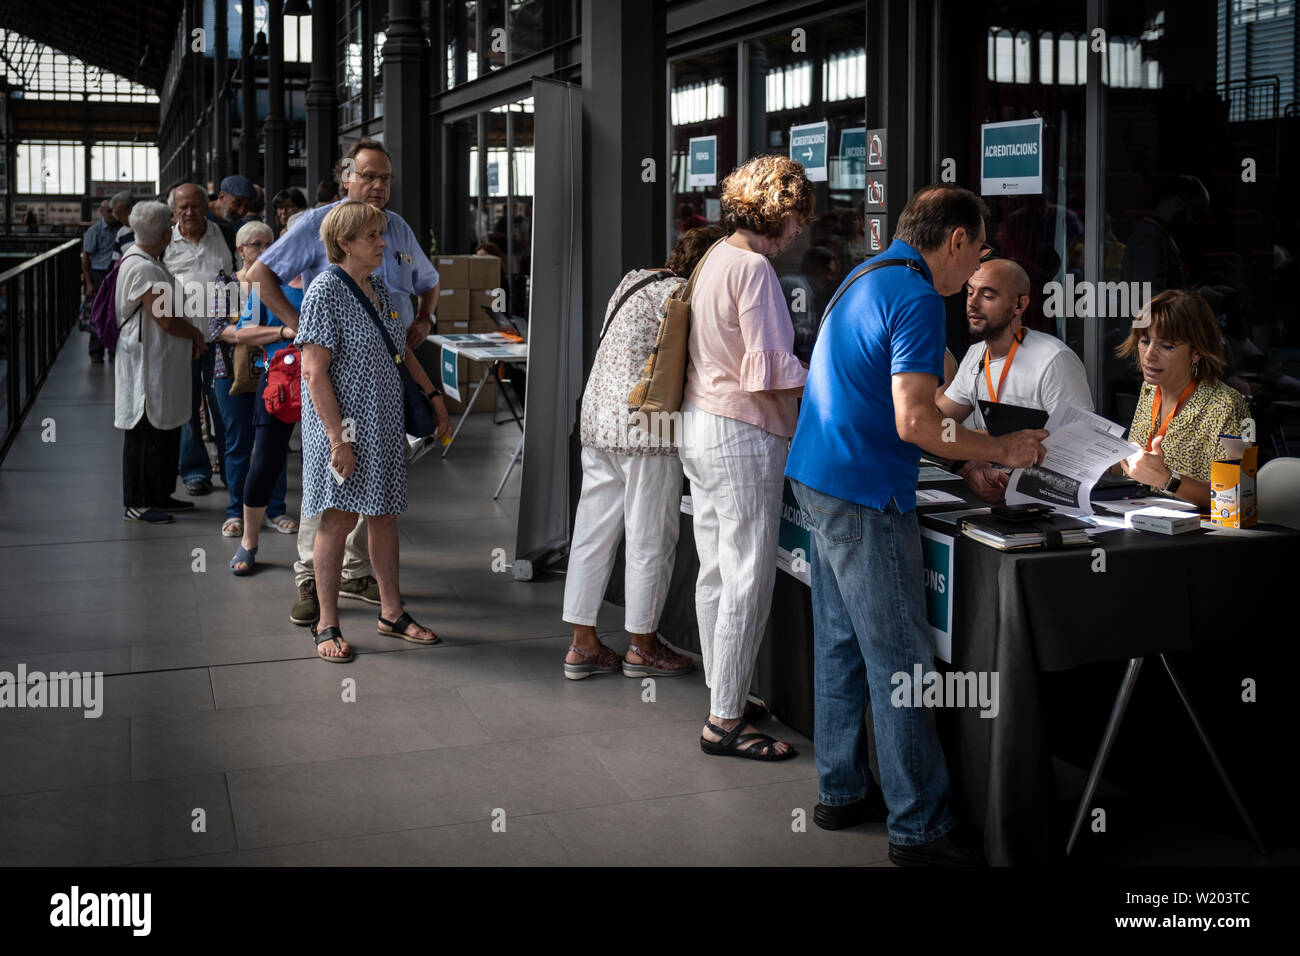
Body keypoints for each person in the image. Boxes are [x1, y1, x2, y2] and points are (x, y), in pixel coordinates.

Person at [785, 185, 1048, 865]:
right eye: (980, 250)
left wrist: (960, 464)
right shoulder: (917, 296)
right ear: (956, 239)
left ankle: (842, 790)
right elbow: (916, 421)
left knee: (840, 645)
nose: (975, 273)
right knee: (900, 661)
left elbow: (896, 399)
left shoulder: (866, 275)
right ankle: (920, 827)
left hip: (819, 476)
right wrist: (1000, 451)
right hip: (866, 492)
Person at [246, 138, 449, 626]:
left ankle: (361, 583)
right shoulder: (318, 227)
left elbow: (427, 284)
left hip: (384, 389)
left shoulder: (393, 235)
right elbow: (258, 274)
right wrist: (298, 327)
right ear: (347, 179)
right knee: (330, 505)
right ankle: (314, 588)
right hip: (338, 394)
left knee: (377, 506)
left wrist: (424, 321)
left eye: (386, 178)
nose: (378, 186)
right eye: (369, 176)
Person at [678, 155, 813, 761]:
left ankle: (721, 692)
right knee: (747, 576)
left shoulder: (714, 257)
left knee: (714, 568)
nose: (800, 232)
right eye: (798, 218)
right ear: (780, 212)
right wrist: (825, 383)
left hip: (699, 423)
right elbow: (766, 370)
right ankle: (725, 720)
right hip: (743, 431)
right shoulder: (755, 267)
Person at [561, 226, 725, 680]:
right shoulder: (685, 296)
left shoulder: (633, 280)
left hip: (598, 422)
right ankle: (643, 645)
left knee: (592, 533)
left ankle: (582, 643)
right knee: (650, 539)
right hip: (648, 429)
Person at [294, 201, 446, 661]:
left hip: (382, 425)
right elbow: (314, 373)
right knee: (338, 519)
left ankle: (391, 613)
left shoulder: (377, 286)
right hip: (343, 429)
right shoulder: (324, 292)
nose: (383, 243)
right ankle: (326, 623)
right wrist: (338, 439)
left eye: (382, 234)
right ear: (345, 243)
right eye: (373, 236)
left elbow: (401, 350)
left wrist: (433, 396)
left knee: (383, 516)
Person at [936, 258, 1093, 503]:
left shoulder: (1053, 359)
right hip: (991, 492)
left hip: (1044, 502)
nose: (973, 304)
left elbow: (1082, 447)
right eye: (969, 292)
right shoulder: (975, 355)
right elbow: (937, 423)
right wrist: (966, 461)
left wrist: (979, 439)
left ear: (1020, 305)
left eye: (987, 296)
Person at [114, 201, 208, 523]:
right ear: (165, 234)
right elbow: (166, 319)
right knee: (144, 430)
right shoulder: (142, 267)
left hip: (161, 361)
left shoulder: (147, 259)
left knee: (163, 429)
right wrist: (195, 334)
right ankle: (137, 501)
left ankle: (160, 494)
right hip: (146, 363)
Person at [1117, 289, 1249, 510]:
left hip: (1203, 537)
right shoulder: (1149, 390)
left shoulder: (1228, 405)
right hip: (1146, 518)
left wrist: (1167, 480)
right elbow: (1139, 470)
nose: (1149, 355)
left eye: (1167, 346)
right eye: (1145, 341)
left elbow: (1236, 500)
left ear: (1196, 352)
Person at [212, 220, 296, 542]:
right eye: (255, 245)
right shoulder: (226, 283)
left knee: (271, 443)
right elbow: (219, 329)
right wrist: (271, 334)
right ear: (240, 249)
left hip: (274, 372)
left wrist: (252, 334)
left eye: (267, 244)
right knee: (237, 444)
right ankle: (236, 512)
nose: (262, 250)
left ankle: (275, 509)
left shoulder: (279, 282)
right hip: (229, 374)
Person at [164, 183, 234, 497]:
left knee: (224, 408)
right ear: (173, 211)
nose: (190, 212)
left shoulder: (226, 234)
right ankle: (195, 472)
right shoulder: (165, 241)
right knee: (188, 410)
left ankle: (232, 472)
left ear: (206, 206)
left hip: (222, 342)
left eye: (195, 205)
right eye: (183, 207)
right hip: (181, 343)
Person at [779, 245, 839, 363]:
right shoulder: (797, 287)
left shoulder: (810, 288)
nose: (829, 278)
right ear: (811, 267)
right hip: (794, 358)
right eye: (826, 271)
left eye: (832, 274)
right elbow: (797, 331)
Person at [82, 199, 119, 363]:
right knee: (97, 313)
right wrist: (89, 283)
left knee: (114, 313)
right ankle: (96, 352)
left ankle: (112, 349)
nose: (111, 214)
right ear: (101, 212)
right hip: (98, 275)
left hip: (114, 274)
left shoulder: (119, 229)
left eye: (113, 211)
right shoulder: (94, 231)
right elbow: (85, 258)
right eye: (108, 211)